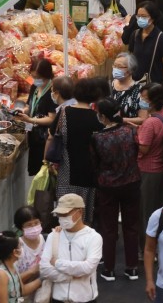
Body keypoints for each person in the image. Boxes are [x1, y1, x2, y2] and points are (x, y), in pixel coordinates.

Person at [92, 98, 142, 283]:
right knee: (131, 226)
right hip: (132, 182)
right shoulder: (130, 131)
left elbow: (94, 164)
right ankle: (132, 268)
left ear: (102, 116)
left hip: (108, 186)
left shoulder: (97, 138)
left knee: (109, 228)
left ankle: (109, 268)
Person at [53, 78, 103, 223]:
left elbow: (52, 136)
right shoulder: (97, 117)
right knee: (84, 212)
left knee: (66, 210)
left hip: (66, 169)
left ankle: (65, 237)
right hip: (89, 170)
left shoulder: (64, 112)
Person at [39, 194, 104, 303]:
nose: (62, 217)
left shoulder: (94, 237)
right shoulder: (54, 236)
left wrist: (57, 263)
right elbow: (44, 269)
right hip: (58, 298)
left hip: (85, 299)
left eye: (66, 213)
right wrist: (71, 276)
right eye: (59, 214)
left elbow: (88, 268)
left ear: (79, 212)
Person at [137, 83, 163, 241]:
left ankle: (147, 246)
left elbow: (143, 149)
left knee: (146, 211)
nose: (142, 100)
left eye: (145, 98)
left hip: (149, 171)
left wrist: (134, 138)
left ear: (152, 100)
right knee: (160, 208)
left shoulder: (150, 123)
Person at [17, 58, 58, 177]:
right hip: (34, 136)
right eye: (33, 76)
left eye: (38, 77)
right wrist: (23, 111)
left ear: (46, 75)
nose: (35, 80)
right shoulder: (34, 87)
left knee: (43, 174)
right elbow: (29, 105)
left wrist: (30, 120)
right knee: (35, 170)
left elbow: (51, 119)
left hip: (45, 138)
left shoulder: (53, 92)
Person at [0, 230, 41, 303]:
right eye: (20, 246)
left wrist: (43, 278)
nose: (22, 248)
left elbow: (22, 290)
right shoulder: (1, 274)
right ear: (15, 252)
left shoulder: (13, 266)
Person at [131, 1, 163, 84]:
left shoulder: (161, 38)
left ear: (152, 18)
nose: (140, 19)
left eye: (144, 16)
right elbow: (131, 58)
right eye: (138, 16)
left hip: (153, 84)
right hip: (136, 82)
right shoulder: (135, 34)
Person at [14, 206, 45, 300]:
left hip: (42, 295)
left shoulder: (45, 239)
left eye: (36, 223)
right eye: (29, 225)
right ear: (21, 228)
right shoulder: (17, 248)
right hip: (23, 296)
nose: (34, 228)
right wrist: (33, 271)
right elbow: (12, 280)